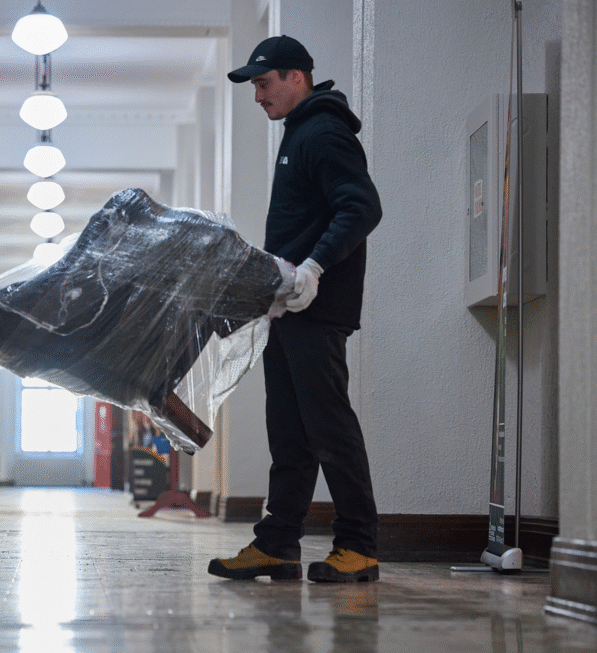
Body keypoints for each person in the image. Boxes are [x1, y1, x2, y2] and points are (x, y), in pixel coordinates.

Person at [208, 35, 383, 583]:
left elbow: (362, 207)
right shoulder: (298, 135)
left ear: (296, 78)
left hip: (317, 307)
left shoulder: (324, 131)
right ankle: (278, 543)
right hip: (288, 308)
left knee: (329, 428)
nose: (258, 95)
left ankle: (359, 546)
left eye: (263, 83)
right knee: (288, 432)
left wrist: (314, 269)